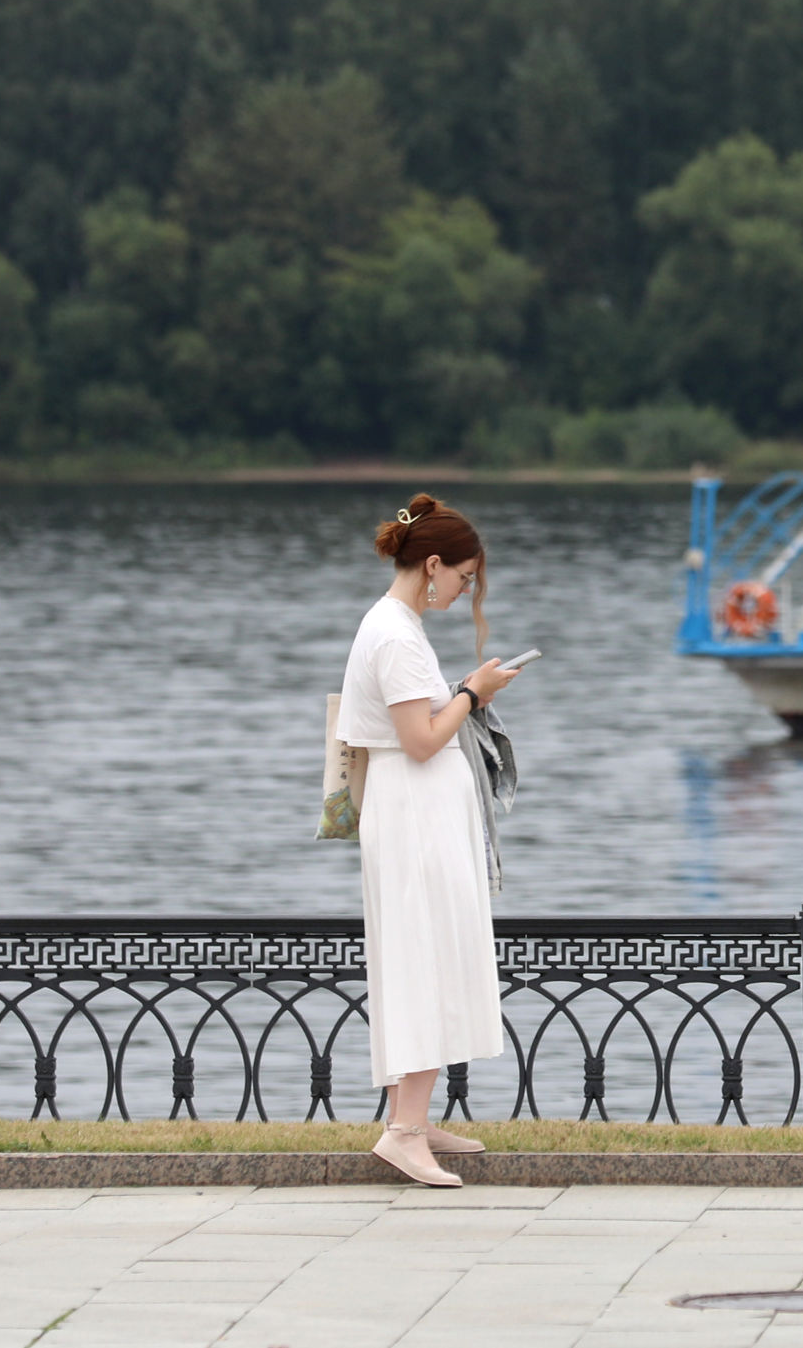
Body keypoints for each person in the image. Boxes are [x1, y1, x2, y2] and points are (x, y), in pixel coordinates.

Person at [337, 494, 523, 1187]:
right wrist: (472, 694)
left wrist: (466, 691)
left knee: (427, 954)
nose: (466, 589)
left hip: (419, 812)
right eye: (464, 577)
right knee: (422, 958)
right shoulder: (394, 633)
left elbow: (415, 721)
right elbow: (419, 740)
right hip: (413, 813)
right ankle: (404, 1131)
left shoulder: (398, 627)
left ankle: (411, 1114)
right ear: (434, 563)